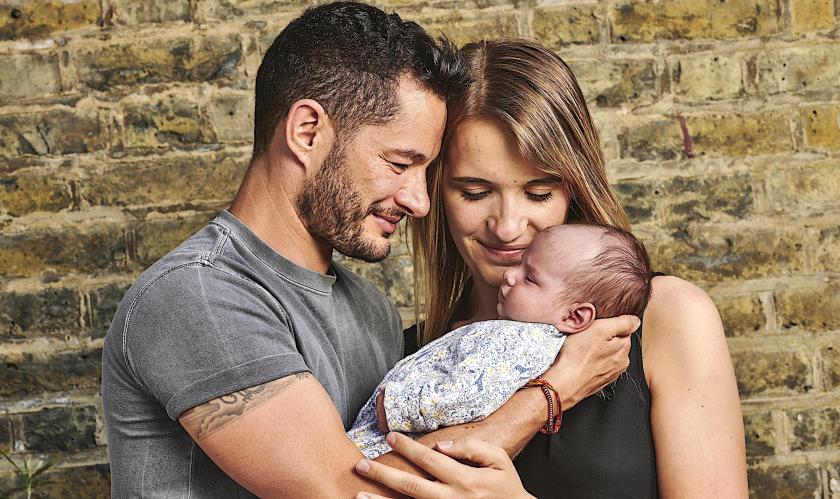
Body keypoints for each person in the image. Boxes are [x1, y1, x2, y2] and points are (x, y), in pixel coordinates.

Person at [101, 4, 638, 497]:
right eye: (399, 163)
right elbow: (353, 494)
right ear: (307, 132)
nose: (419, 202)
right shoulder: (197, 295)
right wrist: (550, 393)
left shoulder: (373, 312)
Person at [357, 39, 748, 497]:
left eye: (538, 194)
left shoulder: (669, 318)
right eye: (474, 193)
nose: (508, 227)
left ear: (574, 187)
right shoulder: (409, 359)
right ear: (434, 190)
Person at [349, 224, 652, 459]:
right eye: (520, 264)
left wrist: (398, 407)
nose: (509, 275)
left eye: (530, 278)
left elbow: (472, 395)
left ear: (574, 317)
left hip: (392, 440)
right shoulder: (517, 334)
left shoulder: (522, 342)